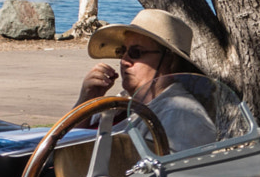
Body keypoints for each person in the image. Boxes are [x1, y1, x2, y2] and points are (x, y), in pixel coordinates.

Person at [76, 8, 218, 152]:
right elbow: (59, 147)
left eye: (135, 52)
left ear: (170, 61)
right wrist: (87, 98)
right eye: (122, 51)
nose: (124, 61)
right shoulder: (119, 104)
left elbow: (172, 171)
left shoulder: (182, 115)